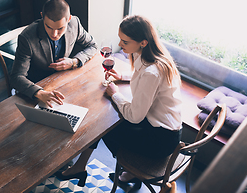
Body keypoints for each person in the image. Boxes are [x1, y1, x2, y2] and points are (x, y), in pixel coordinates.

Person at [55, 15, 182, 186]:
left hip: (160, 141)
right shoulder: (152, 57)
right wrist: (123, 76)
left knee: (99, 127)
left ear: (143, 42)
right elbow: (146, 79)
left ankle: (129, 168)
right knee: (104, 121)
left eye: (125, 42)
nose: (120, 45)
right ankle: (83, 167)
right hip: (164, 129)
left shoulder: (151, 71)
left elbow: (135, 116)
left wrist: (115, 93)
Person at [10, 0, 98, 107]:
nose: (54, 34)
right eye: (48, 27)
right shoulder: (27, 38)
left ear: (69, 19)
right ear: (42, 16)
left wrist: (74, 62)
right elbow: (16, 77)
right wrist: (39, 92)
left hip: (65, 83)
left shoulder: (75, 24)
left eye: (60, 28)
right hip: (37, 88)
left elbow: (93, 45)